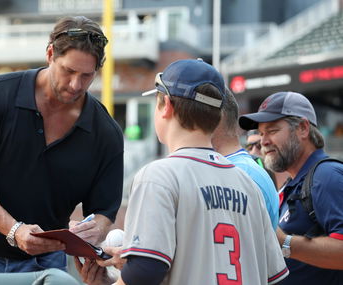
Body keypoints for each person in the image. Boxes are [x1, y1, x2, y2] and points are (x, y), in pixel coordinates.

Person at [75, 59, 289, 285]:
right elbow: (275, 277)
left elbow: (145, 272)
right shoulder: (247, 184)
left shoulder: (158, 176)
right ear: (217, 116)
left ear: (166, 105)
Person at [0, 15, 124, 273]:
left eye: (87, 76)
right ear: (50, 53)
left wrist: (95, 228)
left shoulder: (106, 133)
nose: (76, 85)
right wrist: (14, 230)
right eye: (69, 71)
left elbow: (104, 211)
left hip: (45, 265)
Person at [239, 91, 343, 285]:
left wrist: (284, 242)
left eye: (272, 131)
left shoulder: (327, 176)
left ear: (303, 128)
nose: (264, 141)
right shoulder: (293, 184)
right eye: (261, 134)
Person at [211, 88, 279, 229]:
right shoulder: (236, 168)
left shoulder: (245, 172)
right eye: (250, 146)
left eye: (259, 145)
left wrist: (287, 242)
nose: (254, 151)